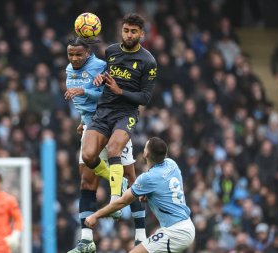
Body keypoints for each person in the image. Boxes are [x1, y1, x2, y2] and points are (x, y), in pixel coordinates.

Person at [65, 37, 146, 253]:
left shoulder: (102, 66)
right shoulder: (69, 70)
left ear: (88, 53)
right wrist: (83, 121)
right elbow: (82, 103)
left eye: (78, 54)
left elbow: (108, 95)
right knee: (86, 181)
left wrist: (85, 93)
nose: (73, 58)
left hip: (110, 123)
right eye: (70, 54)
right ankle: (86, 240)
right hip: (91, 125)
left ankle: (140, 236)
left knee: (131, 179)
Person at [81, 13, 157, 217]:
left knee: (114, 149)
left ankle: (115, 199)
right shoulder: (111, 51)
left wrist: (120, 91)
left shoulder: (148, 61)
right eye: (126, 30)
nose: (129, 35)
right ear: (121, 30)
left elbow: (146, 97)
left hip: (126, 113)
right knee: (88, 156)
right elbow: (109, 74)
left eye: (134, 31)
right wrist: (101, 78)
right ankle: (120, 182)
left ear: (141, 33)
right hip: (104, 109)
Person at [85, 137, 195, 253]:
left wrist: (95, 216)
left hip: (176, 232)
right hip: (187, 225)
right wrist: (152, 197)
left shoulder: (147, 178)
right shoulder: (171, 164)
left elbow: (122, 202)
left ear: (146, 153)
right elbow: (171, 190)